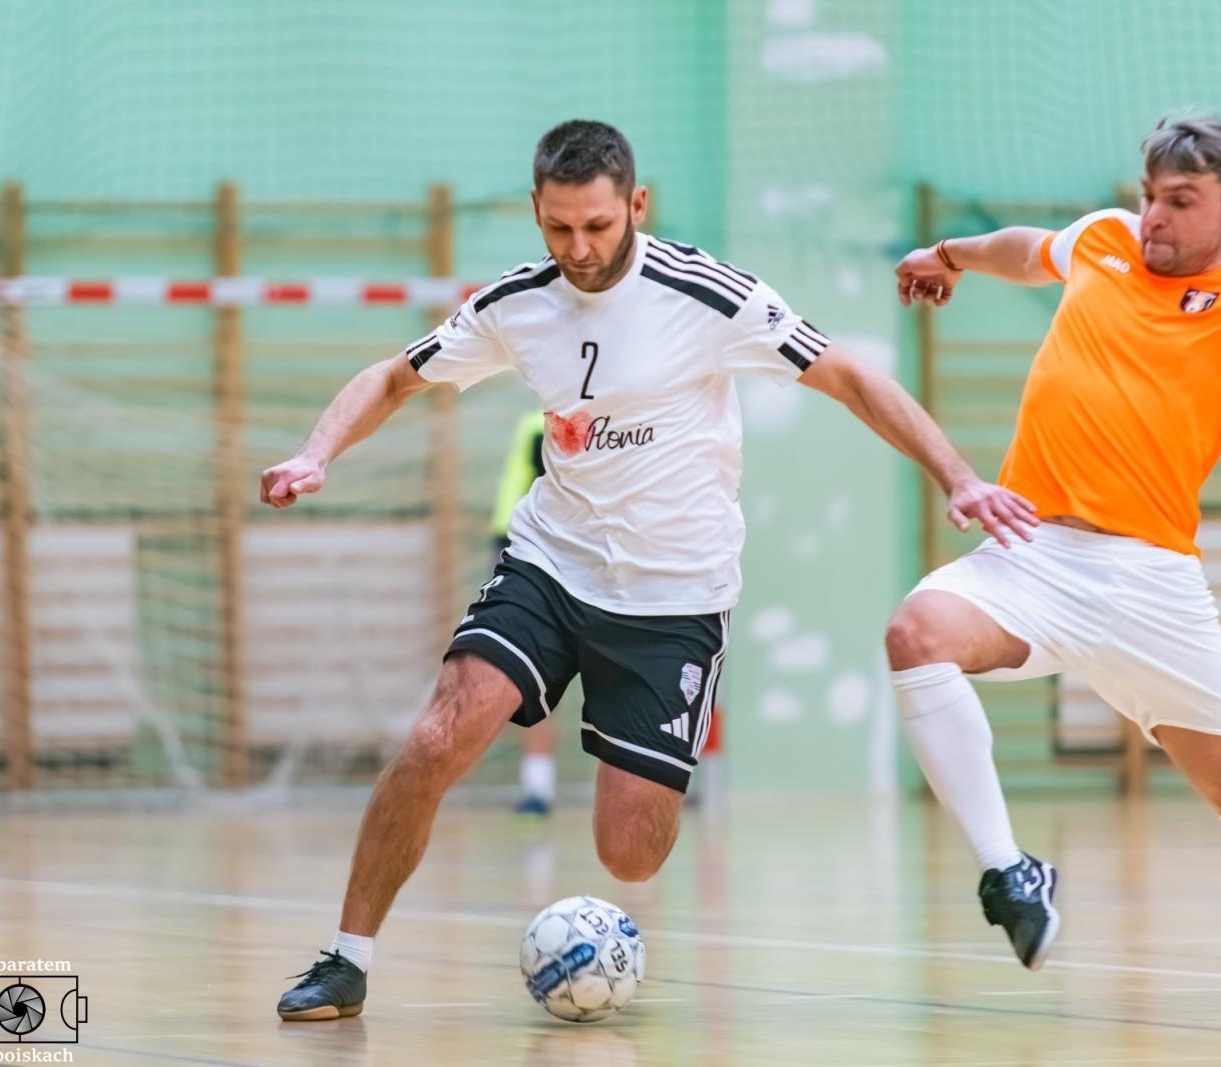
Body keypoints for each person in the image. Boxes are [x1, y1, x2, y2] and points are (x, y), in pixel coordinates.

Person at [263, 119, 1034, 1020]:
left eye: (597, 225)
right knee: (439, 736)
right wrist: (318, 452)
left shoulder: (708, 297)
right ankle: (346, 959)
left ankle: (627, 801)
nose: (580, 249)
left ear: (636, 204)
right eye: (559, 228)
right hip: (552, 564)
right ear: (537, 213)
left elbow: (855, 380)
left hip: (675, 598)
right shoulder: (517, 303)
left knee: (629, 850)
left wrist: (960, 476)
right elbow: (394, 377)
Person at [885, 68, 1221, 997]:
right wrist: (949, 253)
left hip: (1152, 582)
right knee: (915, 634)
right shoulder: (1107, 241)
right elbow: (1025, 247)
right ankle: (1010, 870)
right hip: (1034, 554)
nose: (1155, 217)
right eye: (1151, 195)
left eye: (1182, 202)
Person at [489, 411, 557, 817]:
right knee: (531, 678)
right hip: (524, 552)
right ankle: (537, 786)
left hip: (559, 554)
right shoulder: (539, 425)